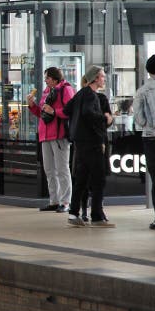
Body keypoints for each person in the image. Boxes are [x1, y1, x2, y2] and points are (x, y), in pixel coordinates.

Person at [63, 66, 115, 227]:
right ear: (95, 79)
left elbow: (67, 109)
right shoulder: (92, 96)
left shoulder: (80, 93)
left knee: (81, 179)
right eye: (102, 77)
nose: (104, 79)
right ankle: (97, 215)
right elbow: (88, 113)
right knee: (98, 179)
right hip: (92, 142)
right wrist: (104, 119)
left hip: (80, 143)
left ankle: (73, 213)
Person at [27, 67, 75, 212]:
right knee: (49, 170)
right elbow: (42, 114)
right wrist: (32, 105)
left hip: (59, 134)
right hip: (45, 134)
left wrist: (54, 111)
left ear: (55, 79)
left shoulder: (66, 90)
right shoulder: (47, 92)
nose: (45, 80)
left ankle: (66, 201)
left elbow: (70, 110)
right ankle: (54, 200)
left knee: (62, 169)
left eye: (47, 78)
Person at [133, 54, 155, 230]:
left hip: (151, 138)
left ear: (147, 69)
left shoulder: (142, 91)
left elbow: (138, 117)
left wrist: (149, 125)